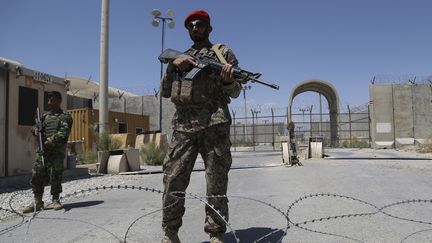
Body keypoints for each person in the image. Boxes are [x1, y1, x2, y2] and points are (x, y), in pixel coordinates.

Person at [160, 10, 242, 243]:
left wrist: (228, 81)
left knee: (216, 182)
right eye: (191, 26)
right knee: (173, 180)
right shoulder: (180, 58)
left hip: (214, 125)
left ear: (209, 28)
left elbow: (235, 91)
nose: (195, 28)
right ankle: (170, 232)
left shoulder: (222, 53)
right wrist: (172, 66)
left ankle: (216, 234)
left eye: (200, 24)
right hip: (184, 127)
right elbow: (166, 92)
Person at [22, 91, 73, 213]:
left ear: (59, 101)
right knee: (37, 175)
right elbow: (34, 127)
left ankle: (56, 199)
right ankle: (38, 202)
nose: (49, 102)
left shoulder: (65, 116)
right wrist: (35, 130)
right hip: (43, 151)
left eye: (52, 100)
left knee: (55, 175)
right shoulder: (44, 117)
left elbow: (64, 132)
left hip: (56, 152)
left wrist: (50, 140)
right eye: (49, 100)